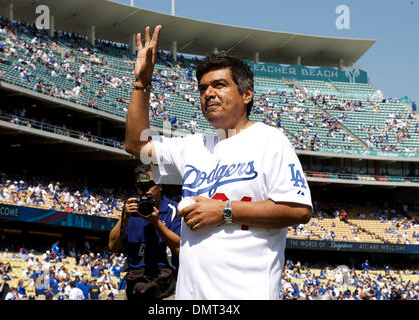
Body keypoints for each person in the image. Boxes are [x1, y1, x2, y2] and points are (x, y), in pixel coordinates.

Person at [123, 25, 312, 300]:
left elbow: (298, 211)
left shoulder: (270, 139)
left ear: (246, 94)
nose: (208, 93)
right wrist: (142, 83)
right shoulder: (193, 145)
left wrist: (225, 211)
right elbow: (136, 146)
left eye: (219, 85)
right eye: (203, 88)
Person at [108, 164, 181, 300]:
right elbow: (112, 245)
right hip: (135, 284)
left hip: (165, 285)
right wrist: (124, 217)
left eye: (151, 184)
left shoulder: (173, 210)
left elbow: (180, 248)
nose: (146, 190)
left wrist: (156, 223)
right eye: (141, 185)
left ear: (161, 185)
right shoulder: (131, 212)